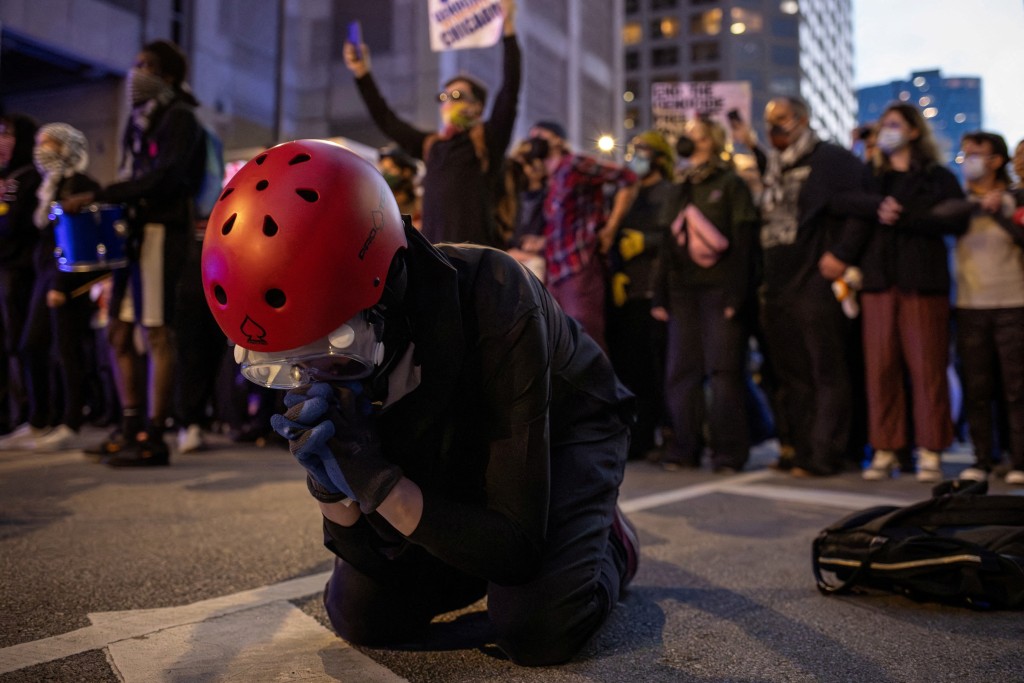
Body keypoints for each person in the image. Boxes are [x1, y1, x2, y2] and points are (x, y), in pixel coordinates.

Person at [199, 139, 639, 666]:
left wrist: (381, 485)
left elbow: (514, 547)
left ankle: (609, 539)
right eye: (283, 363)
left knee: (536, 626)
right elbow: (368, 554)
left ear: (388, 287)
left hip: (563, 427)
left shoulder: (497, 295)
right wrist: (332, 490)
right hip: (451, 422)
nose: (313, 375)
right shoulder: (344, 335)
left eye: (327, 351)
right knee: (362, 615)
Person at [63, 40, 206, 467]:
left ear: (168, 77)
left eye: (146, 66)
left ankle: (155, 434)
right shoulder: (140, 121)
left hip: (162, 231)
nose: (135, 72)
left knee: (157, 332)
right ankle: (129, 426)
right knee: (119, 332)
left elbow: (169, 177)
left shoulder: (180, 118)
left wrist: (104, 193)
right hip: (135, 233)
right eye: (135, 63)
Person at [835, 103, 968, 483]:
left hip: (922, 283)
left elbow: (957, 216)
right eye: (882, 126)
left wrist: (908, 215)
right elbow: (841, 201)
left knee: (928, 368)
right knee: (880, 369)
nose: (886, 131)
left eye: (894, 125)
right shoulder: (871, 178)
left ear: (913, 132)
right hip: (878, 282)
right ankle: (885, 448)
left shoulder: (936, 176)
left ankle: (930, 449)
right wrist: (876, 196)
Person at [342, 0, 519, 248]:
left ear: (478, 106)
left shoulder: (487, 141)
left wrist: (508, 30)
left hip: (477, 259)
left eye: (457, 96)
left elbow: (509, 92)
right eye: (444, 97)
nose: (448, 103)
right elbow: (387, 120)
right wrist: (363, 74)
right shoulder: (432, 145)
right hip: (437, 258)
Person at [757, 96, 869, 477]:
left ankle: (826, 454)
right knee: (792, 375)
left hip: (815, 282)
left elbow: (862, 206)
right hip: (779, 284)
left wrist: (841, 252)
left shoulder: (831, 159)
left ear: (802, 119)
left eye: (783, 119)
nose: (775, 127)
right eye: (770, 120)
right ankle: (800, 449)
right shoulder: (774, 168)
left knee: (826, 370)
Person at [651, 117, 759, 472]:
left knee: (724, 372)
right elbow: (667, 247)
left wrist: (736, 296)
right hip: (683, 293)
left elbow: (744, 244)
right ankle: (685, 448)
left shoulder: (730, 184)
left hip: (720, 290)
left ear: (711, 140)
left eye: (695, 131)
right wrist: (660, 296)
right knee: (681, 372)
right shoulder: (678, 186)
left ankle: (728, 453)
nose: (687, 136)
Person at [14, 124, 103, 451]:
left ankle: (71, 423)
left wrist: (62, 284)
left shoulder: (82, 186)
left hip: (66, 283)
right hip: (44, 278)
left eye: (48, 143)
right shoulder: (46, 187)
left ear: (67, 147)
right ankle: (39, 420)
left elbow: (76, 241)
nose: (41, 149)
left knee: (68, 352)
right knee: (31, 347)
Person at [515, 121, 638, 352]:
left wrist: (610, 228)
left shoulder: (575, 164)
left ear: (558, 140)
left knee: (586, 340)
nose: (535, 140)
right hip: (556, 271)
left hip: (579, 266)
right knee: (560, 341)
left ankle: (598, 388)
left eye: (541, 135)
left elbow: (627, 178)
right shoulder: (551, 178)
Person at [951, 131, 1024, 485]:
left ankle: (1020, 460)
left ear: (997, 160)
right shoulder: (957, 201)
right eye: (965, 155)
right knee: (977, 386)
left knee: (1016, 387)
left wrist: (999, 213)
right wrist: (974, 205)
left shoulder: (1016, 198)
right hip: (969, 303)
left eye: (977, 153)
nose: (969, 160)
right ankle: (982, 458)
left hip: (1013, 300)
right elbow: (930, 218)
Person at [607, 130, 675, 460]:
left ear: (660, 158)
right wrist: (616, 270)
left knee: (654, 368)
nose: (636, 157)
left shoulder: (670, 192)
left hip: (654, 290)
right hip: (627, 292)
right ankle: (638, 436)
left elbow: (676, 236)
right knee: (629, 368)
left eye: (643, 151)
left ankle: (660, 433)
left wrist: (646, 242)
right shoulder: (626, 193)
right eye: (633, 150)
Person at [0, 114, 41, 444]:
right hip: (7, 267)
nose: (3, 139)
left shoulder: (28, 178)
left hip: (21, 270)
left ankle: (25, 414)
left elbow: (16, 224)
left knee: (21, 343)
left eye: (9, 133)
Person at [377, 145, 421, 229]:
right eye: (385, 170)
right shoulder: (378, 203)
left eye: (391, 169)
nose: (386, 174)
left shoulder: (419, 208)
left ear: (407, 172)